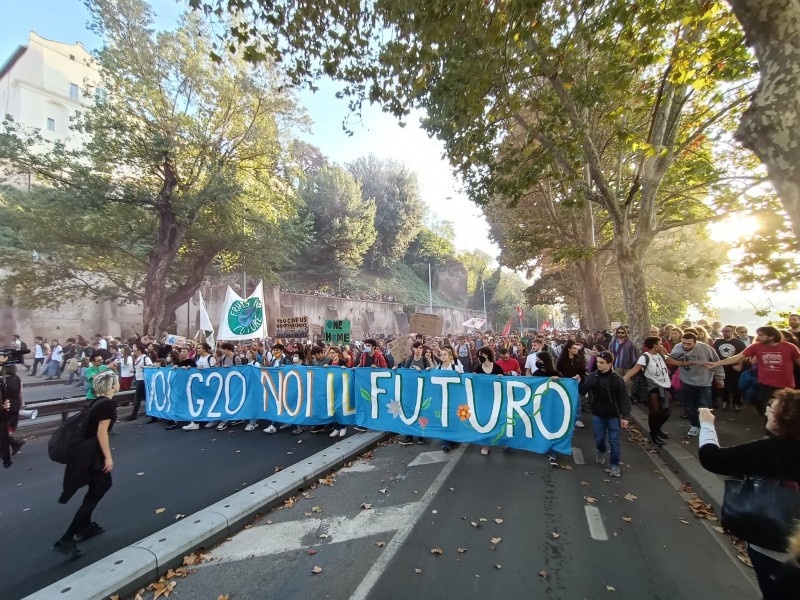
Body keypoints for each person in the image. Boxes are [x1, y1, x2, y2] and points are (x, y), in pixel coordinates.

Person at [698, 391, 800, 598]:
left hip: (773, 547)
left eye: (771, 410)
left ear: (784, 420)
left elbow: (712, 458)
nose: (766, 413)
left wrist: (707, 424)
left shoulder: (767, 450)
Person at [52, 369, 119, 559]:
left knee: (97, 488)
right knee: (100, 488)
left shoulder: (97, 402)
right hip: (93, 456)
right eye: (116, 381)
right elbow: (101, 433)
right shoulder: (107, 405)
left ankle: (85, 525)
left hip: (85, 454)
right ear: (112, 385)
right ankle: (67, 537)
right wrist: (108, 457)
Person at [705, 326, 800, 417]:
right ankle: (769, 429)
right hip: (765, 384)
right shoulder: (756, 347)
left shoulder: (789, 347)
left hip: (786, 385)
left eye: (761, 335)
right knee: (766, 409)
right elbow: (737, 358)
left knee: (786, 410)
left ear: (771, 336)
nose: (758, 337)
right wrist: (716, 363)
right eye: (758, 334)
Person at [581, 351, 630, 477]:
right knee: (599, 438)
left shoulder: (617, 380)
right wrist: (578, 380)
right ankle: (601, 450)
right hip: (598, 413)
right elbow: (583, 390)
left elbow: (624, 399)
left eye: (602, 363)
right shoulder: (593, 377)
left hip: (613, 415)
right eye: (597, 362)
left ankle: (614, 465)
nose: (599, 365)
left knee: (614, 441)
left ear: (610, 364)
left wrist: (625, 417)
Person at [670, 332, 724, 437]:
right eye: (684, 343)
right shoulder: (677, 347)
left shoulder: (706, 348)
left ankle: (706, 427)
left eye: (689, 344)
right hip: (687, 381)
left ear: (695, 342)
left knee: (704, 406)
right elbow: (671, 359)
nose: (685, 346)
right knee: (690, 406)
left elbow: (717, 363)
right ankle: (694, 425)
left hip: (704, 382)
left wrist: (720, 378)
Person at [623, 336, 672, 447]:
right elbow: (635, 369)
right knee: (655, 412)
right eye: (660, 343)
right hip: (652, 387)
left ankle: (657, 429)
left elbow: (677, 362)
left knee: (667, 412)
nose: (662, 345)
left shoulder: (661, 355)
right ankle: (654, 434)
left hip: (665, 386)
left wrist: (697, 362)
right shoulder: (645, 357)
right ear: (655, 345)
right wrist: (624, 378)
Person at [472, 346, 505, 456]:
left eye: (483, 354)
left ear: (488, 355)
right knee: (485, 421)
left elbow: (505, 383)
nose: (481, 356)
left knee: (498, 419)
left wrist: (502, 377)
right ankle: (485, 444)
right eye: (480, 354)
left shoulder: (497, 368)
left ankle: (502, 440)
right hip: (482, 399)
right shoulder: (477, 369)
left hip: (496, 397)